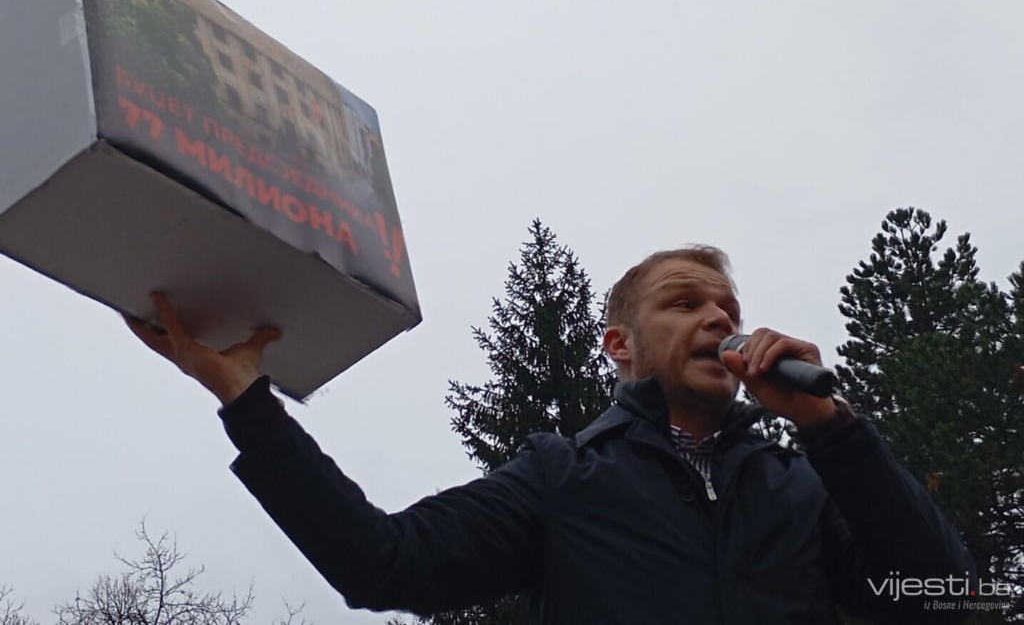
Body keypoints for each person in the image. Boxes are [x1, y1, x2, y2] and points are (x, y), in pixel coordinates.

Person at [125, 246, 978, 624]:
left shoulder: (801, 486)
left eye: (729, 308)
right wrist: (249, 403)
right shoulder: (564, 476)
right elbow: (382, 563)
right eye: (685, 302)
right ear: (619, 344)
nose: (720, 318)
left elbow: (942, 597)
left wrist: (834, 429)